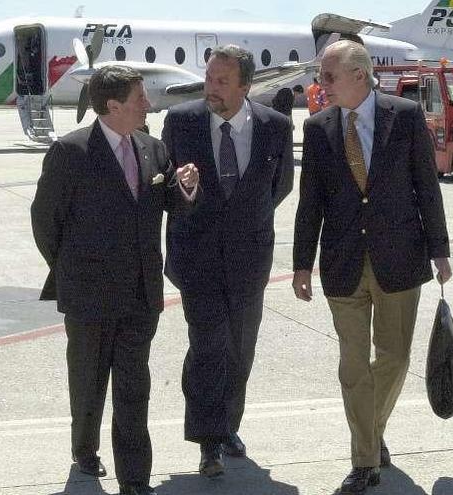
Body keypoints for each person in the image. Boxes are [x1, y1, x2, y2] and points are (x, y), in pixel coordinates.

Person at [292, 40, 452, 495]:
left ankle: (370, 428)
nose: (320, 85)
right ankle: (365, 460)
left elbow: (427, 187)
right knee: (352, 365)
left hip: (400, 258)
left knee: (395, 357)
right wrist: (302, 263)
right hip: (341, 264)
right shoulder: (319, 127)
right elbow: (310, 203)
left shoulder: (403, 117)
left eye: (328, 76)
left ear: (359, 75)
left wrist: (440, 250)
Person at [30, 65, 199, 495]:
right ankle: (84, 450)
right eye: (140, 98)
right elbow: (45, 221)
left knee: (133, 386)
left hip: (141, 295)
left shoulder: (154, 149)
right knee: (88, 382)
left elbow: (168, 208)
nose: (148, 104)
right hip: (88, 295)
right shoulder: (70, 152)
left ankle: (135, 479)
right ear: (113, 105)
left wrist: (186, 191)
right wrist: (71, 269)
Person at [161, 44, 294, 478]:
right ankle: (207, 441)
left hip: (249, 259)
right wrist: (188, 192)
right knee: (207, 346)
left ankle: (227, 425)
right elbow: (165, 191)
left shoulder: (274, 126)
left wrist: (244, 219)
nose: (210, 87)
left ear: (245, 85)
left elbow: (279, 187)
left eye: (221, 81)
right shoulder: (181, 122)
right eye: (209, 78)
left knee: (240, 349)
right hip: (196, 257)